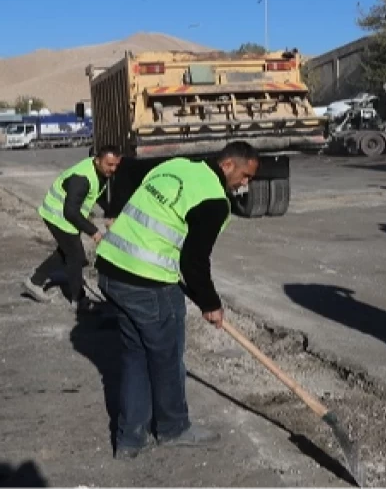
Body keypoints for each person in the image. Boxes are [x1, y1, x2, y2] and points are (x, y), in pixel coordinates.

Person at [95, 141, 260, 459]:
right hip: (147, 283)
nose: (244, 184)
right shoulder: (213, 199)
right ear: (227, 165)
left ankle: (130, 439)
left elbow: (127, 170)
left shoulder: (179, 165)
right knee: (166, 359)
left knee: (136, 356)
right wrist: (210, 304)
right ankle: (173, 428)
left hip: (110, 269)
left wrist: (116, 213)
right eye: (245, 175)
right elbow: (194, 261)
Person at [23, 146, 123, 308]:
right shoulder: (82, 178)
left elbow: (98, 194)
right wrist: (94, 231)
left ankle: (34, 282)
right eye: (109, 164)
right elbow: (70, 212)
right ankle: (79, 300)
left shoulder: (101, 172)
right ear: (97, 160)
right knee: (76, 256)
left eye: (116, 165)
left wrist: (110, 216)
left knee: (67, 252)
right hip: (58, 215)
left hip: (68, 213)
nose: (113, 169)